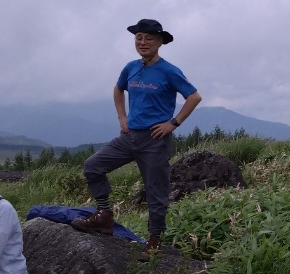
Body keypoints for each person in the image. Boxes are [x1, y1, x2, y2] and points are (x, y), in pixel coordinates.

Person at [73, 18, 201, 258]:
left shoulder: (169, 71)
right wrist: (122, 117)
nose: (142, 42)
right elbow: (118, 89)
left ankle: (154, 240)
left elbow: (194, 97)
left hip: (155, 140)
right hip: (130, 136)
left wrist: (173, 123)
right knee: (93, 166)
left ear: (160, 42)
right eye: (138, 38)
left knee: (156, 191)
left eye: (148, 38)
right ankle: (104, 216)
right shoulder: (131, 67)